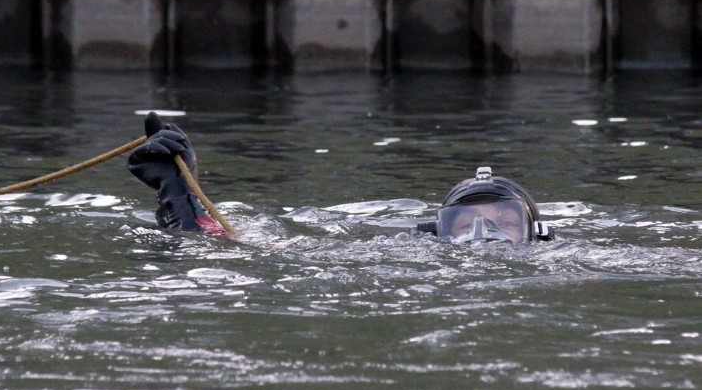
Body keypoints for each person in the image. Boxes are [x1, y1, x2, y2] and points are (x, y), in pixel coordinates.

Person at [128, 113, 554, 243]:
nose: (483, 233)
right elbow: (262, 250)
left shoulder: (564, 264)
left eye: (504, 221)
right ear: (436, 234)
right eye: (462, 226)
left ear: (537, 234)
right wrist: (181, 196)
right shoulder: (398, 259)